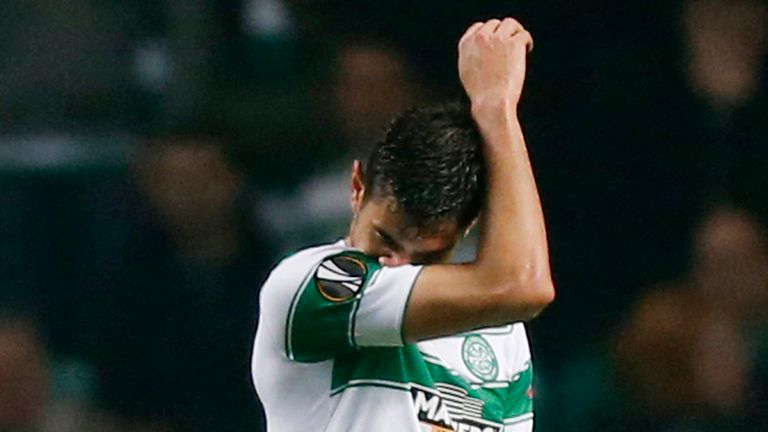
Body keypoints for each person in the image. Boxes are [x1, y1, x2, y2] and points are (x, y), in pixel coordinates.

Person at [252, 17, 555, 432]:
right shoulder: (306, 288)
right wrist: (495, 108)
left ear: (467, 229)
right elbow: (524, 286)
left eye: (428, 253)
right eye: (385, 239)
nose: (398, 265)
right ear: (357, 187)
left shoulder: (498, 325)